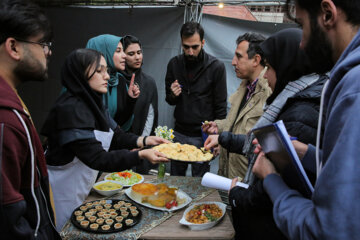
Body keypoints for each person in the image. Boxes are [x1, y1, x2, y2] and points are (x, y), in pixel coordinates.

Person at [204, 28, 326, 240]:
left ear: (287, 67)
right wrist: (223, 136)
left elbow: (269, 193)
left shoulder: (299, 115)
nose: (265, 74)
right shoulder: (295, 103)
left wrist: (237, 194)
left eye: (269, 67)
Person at [252, 0, 360, 238]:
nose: (301, 44)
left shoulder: (354, 88)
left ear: (328, 14)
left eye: (302, 25)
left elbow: (329, 230)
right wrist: (305, 153)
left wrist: (272, 180)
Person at [41, 49, 169, 231]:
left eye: (106, 70)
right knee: (64, 231)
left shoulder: (94, 103)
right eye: (99, 71)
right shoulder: (71, 109)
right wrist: (141, 155)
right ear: (80, 74)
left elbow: (117, 135)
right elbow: (98, 159)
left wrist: (146, 140)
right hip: (62, 191)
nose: (107, 76)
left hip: (81, 186)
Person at [0, 0, 60, 239]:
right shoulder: (5, 120)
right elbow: (9, 220)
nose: (49, 52)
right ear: (13, 47)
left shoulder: (13, 105)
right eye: (43, 44)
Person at [202, 32, 271, 180]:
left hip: (247, 180)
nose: (233, 62)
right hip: (230, 177)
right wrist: (219, 126)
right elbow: (238, 124)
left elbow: (262, 139)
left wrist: (221, 139)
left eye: (238, 56)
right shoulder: (245, 86)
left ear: (256, 60)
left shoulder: (269, 92)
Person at [165, 21, 227, 177]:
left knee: (200, 183)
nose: (190, 52)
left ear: (203, 43)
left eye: (195, 47)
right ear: (181, 43)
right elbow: (169, 100)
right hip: (179, 132)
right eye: (186, 47)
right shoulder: (174, 64)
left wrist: (217, 136)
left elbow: (221, 106)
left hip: (203, 136)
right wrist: (173, 94)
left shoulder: (216, 67)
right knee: (175, 180)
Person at [121, 35, 159, 174]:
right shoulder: (115, 80)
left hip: (141, 144)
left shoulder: (149, 82)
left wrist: (141, 143)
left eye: (139, 52)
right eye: (131, 54)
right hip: (117, 146)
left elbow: (151, 116)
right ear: (122, 55)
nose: (137, 57)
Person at [86, 34, 140, 131]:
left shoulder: (120, 80)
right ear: (102, 52)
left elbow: (120, 123)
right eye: (118, 51)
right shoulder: (84, 83)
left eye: (123, 50)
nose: (124, 56)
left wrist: (130, 100)